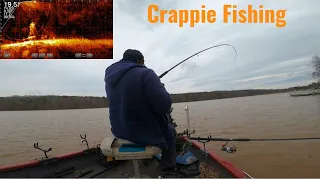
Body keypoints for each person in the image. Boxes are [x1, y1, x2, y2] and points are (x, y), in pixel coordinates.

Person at [104, 49, 176, 173]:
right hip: (143, 133)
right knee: (171, 132)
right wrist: (160, 86)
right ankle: (167, 167)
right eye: (143, 62)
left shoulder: (110, 77)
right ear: (140, 60)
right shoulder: (146, 73)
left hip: (119, 131)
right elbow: (164, 105)